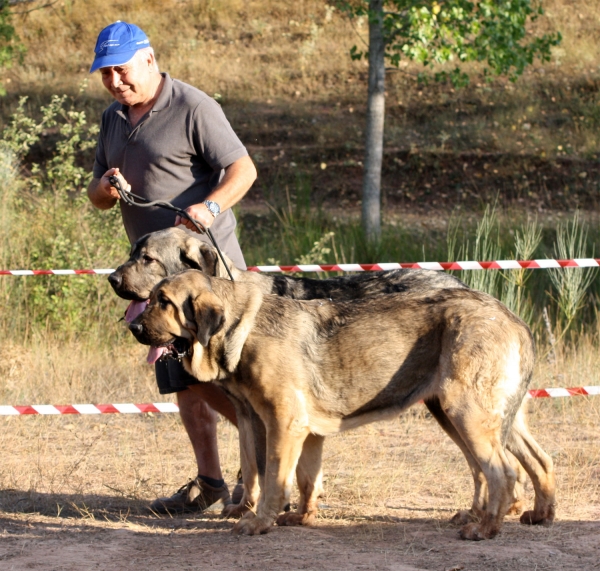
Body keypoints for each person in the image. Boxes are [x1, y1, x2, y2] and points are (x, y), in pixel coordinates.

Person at [86, 21, 257, 514]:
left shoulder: (193, 106)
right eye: (105, 73)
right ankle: (210, 482)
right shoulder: (112, 119)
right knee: (180, 376)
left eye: (121, 69)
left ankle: (260, 465)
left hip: (207, 275)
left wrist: (210, 208)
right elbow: (96, 193)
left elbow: (243, 170)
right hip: (153, 279)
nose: (115, 80)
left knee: (221, 377)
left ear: (149, 59)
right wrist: (106, 188)